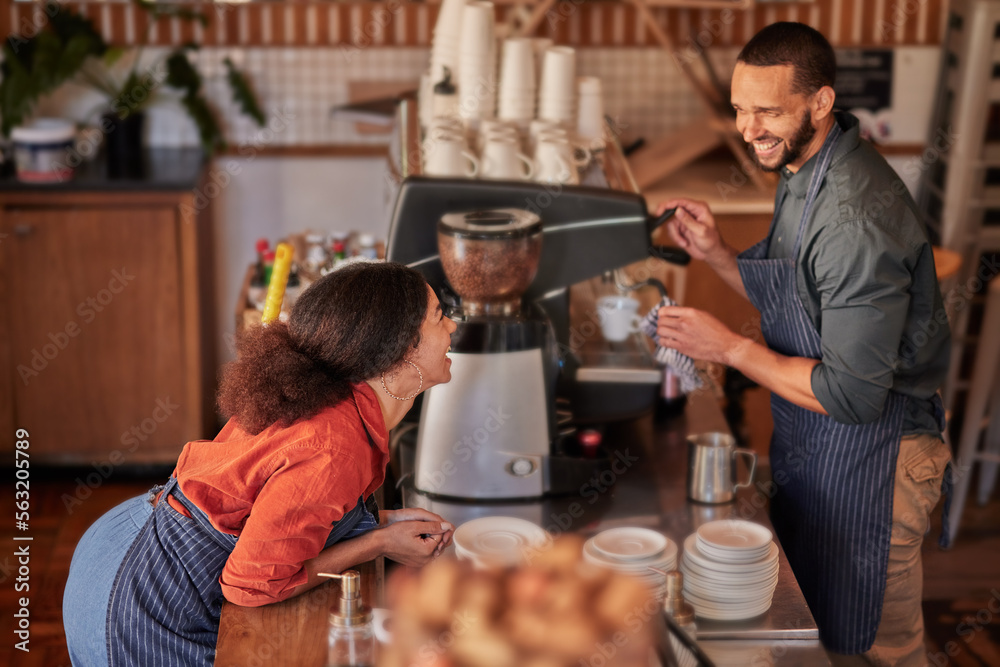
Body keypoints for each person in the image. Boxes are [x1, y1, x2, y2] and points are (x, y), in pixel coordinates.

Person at [654, 23, 951, 666]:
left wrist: (730, 348)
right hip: (823, 452)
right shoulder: (803, 163)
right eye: (739, 108)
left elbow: (851, 393)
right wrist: (717, 255)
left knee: (881, 650)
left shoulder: (855, 221)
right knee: (821, 638)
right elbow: (805, 302)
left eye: (767, 111)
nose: (748, 127)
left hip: (882, 463)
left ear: (820, 102)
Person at [63, 260, 458, 666]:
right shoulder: (335, 447)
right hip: (143, 600)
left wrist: (384, 523)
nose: (452, 328)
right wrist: (377, 543)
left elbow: (280, 508)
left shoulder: (323, 391)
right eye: (439, 318)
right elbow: (250, 586)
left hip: (125, 540)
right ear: (400, 350)